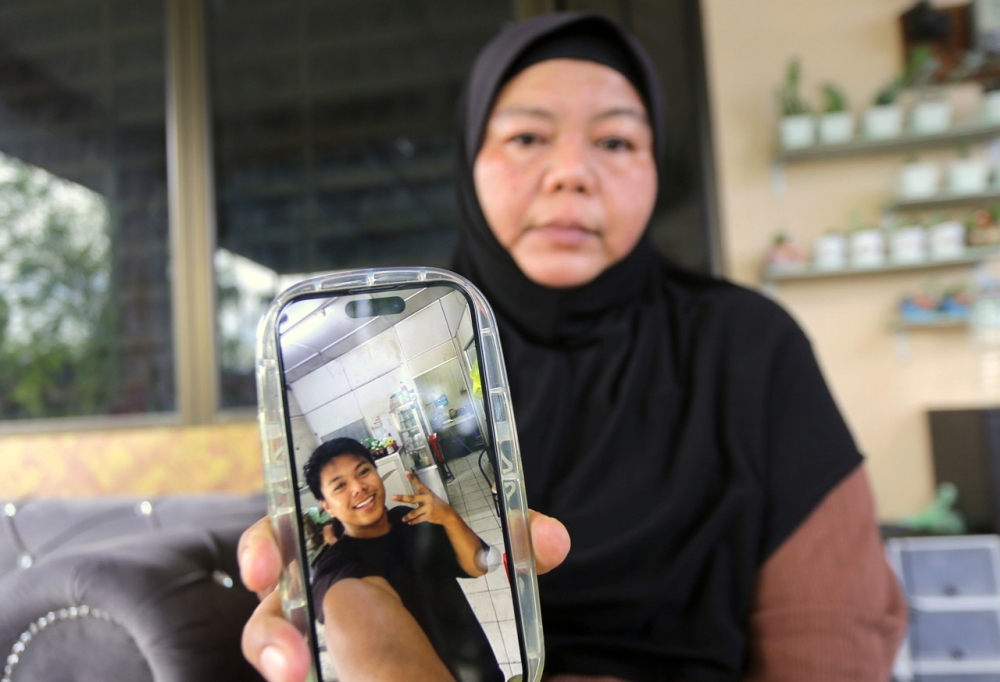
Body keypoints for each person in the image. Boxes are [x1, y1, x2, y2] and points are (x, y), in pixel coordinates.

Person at [240, 12, 907, 682]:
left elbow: (830, 636)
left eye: (615, 142)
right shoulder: (418, 352)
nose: (571, 173)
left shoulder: (751, 348)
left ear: (655, 165)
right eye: (527, 136)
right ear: (470, 158)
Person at [303, 438, 504, 682]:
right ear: (327, 506)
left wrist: (449, 517)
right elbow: (340, 603)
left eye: (364, 471)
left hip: (483, 670)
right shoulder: (335, 566)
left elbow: (479, 566)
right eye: (340, 486)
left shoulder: (410, 519)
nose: (358, 487)